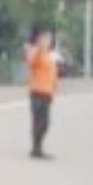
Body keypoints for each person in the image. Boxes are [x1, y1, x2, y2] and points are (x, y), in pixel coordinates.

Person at [25, 27, 58, 159]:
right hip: (37, 91)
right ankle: (36, 148)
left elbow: (53, 74)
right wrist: (37, 48)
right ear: (39, 40)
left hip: (47, 92)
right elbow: (32, 62)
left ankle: (38, 147)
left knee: (45, 123)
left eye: (49, 39)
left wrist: (54, 89)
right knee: (38, 121)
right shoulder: (36, 53)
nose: (48, 41)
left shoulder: (50, 56)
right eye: (45, 38)